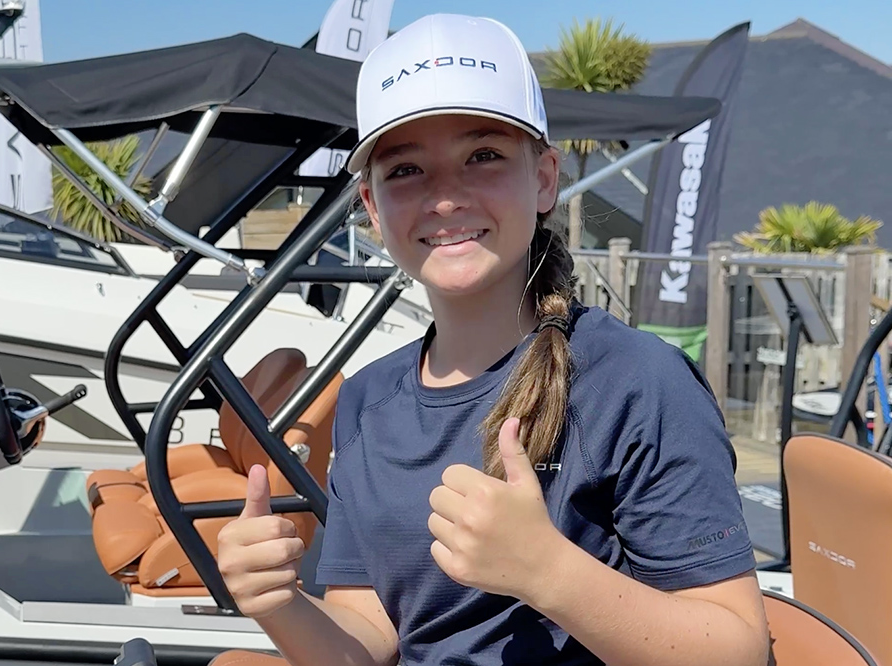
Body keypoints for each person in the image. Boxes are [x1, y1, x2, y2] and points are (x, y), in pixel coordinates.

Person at [216, 12, 770, 666]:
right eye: (405, 171)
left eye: (483, 157)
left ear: (542, 179)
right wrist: (279, 604)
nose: (445, 199)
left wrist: (549, 574)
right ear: (371, 206)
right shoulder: (367, 400)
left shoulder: (638, 383)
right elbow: (367, 635)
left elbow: (737, 647)